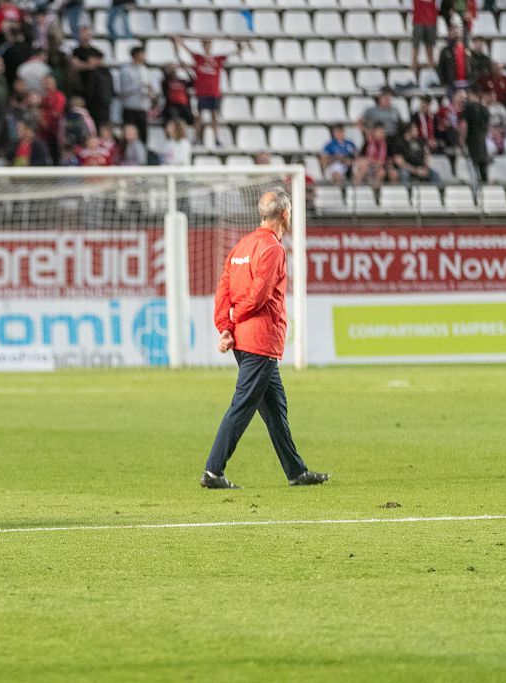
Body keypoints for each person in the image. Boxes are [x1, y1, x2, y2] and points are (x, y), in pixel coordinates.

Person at [201, 191, 329, 490]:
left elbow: (223, 289)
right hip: (260, 339)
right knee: (243, 405)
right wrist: (231, 320)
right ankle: (212, 471)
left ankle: (296, 471)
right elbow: (258, 295)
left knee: (275, 406)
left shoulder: (242, 245)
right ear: (285, 214)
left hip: (245, 338)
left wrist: (225, 324)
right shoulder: (272, 248)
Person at [175, 37, 241, 146]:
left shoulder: (217, 59)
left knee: (214, 116)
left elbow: (231, 54)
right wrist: (181, 43)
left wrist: (241, 48)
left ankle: (216, 139)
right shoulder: (198, 58)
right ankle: (196, 139)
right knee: (199, 117)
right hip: (201, 93)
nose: (207, 47)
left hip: (214, 92)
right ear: (203, 46)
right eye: (205, 45)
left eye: (208, 45)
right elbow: (188, 51)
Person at [392, 121, 442, 188]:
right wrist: (415, 170)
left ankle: (438, 195)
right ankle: (406, 195)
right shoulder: (399, 143)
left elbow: (427, 154)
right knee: (404, 174)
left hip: (422, 168)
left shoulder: (420, 141)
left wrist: (425, 167)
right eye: (415, 129)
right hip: (408, 169)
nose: (417, 131)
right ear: (408, 131)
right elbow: (400, 162)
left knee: (435, 174)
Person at [119, 46, 152, 145]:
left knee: (143, 137)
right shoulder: (126, 70)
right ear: (136, 55)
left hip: (142, 109)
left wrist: (150, 92)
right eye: (143, 54)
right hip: (130, 109)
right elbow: (124, 91)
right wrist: (139, 86)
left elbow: (148, 87)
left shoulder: (145, 70)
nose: (145, 57)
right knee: (129, 138)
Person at [411, 0, 438, 78]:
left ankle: (431, 67)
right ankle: (413, 66)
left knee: (430, 46)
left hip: (431, 21)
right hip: (418, 21)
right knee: (415, 45)